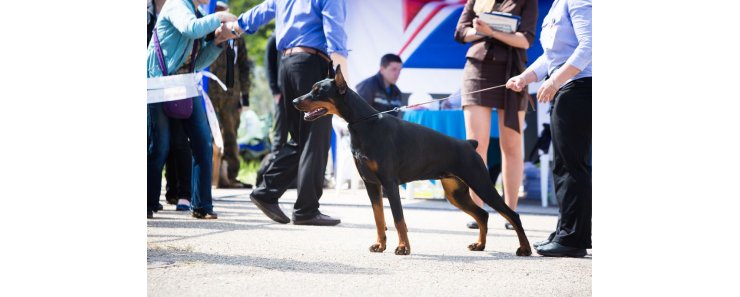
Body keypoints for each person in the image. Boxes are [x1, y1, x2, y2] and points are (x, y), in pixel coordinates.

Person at [229, 0, 349, 226]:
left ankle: (266, 192)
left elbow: (262, 11)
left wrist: (236, 26)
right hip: (312, 62)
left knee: (301, 138)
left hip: (288, 63)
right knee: (316, 138)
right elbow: (335, 32)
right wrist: (343, 77)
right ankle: (306, 210)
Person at [506, 0, 591, 257]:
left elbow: (590, 47)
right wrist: (525, 77)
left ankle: (572, 239)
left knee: (570, 165)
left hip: (579, 87)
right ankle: (566, 232)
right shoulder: (557, 5)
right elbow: (552, 57)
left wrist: (554, 81)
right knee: (563, 164)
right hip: (568, 87)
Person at [147, 0, 237, 219]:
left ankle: (202, 206)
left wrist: (217, 42)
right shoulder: (177, 4)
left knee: (203, 144)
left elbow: (197, 61)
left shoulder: (196, 11)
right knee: (160, 147)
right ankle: (147, 202)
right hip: (159, 83)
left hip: (186, 82)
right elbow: (190, 28)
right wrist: (222, 17)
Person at [453, 0, 537, 230]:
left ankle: (510, 210)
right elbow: (460, 32)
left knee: (511, 145)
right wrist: (478, 32)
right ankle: (476, 209)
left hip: (513, 72)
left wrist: (492, 32)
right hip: (478, 70)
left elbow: (526, 40)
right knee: (476, 145)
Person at [208, 1, 254, 189]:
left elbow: (244, 66)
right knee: (208, 134)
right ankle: (210, 175)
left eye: (223, 12)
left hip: (231, 93)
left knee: (231, 134)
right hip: (209, 92)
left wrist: (245, 97)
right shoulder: (206, 32)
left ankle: (230, 176)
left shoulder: (236, 36)